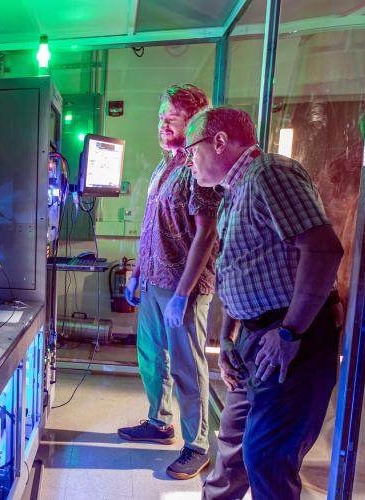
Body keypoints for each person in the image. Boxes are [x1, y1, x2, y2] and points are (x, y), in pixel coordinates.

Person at [185, 107, 345, 499]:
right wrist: (227, 338)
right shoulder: (233, 192)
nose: (189, 160)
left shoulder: (270, 175)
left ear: (219, 141)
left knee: (267, 455)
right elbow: (237, 269)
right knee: (234, 445)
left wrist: (290, 332)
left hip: (289, 338)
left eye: (192, 150)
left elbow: (323, 251)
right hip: (253, 338)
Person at [117, 84, 220, 480]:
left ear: (192, 121)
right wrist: (137, 273)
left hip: (184, 288)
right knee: (150, 357)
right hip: (154, 281)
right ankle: (159, 422)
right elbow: (151, 227)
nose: (161, 124)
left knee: (187, 367)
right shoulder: (165, 166)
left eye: (170, 118)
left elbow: (205, 235)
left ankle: (197, 446)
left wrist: (182, 295)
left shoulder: (200, 167)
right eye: (160, 117)